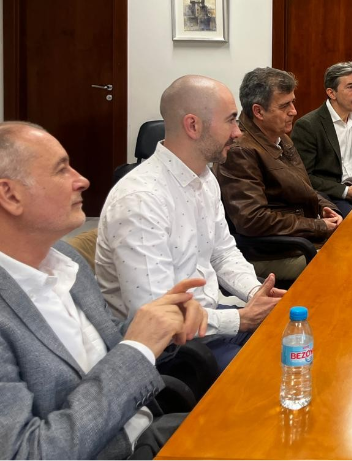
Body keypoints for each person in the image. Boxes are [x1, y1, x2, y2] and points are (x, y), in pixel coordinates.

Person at [0, 121, 209, 460]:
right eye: (61, 170)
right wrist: (138, 348)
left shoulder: (65, 259)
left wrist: (162, 323)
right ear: (10, 195)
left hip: (148, 430)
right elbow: (27, 453)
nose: (81, 180)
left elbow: (108, 348)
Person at [96, 76, 284, 370]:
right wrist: (240, 319)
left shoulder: (204, 178)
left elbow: (223, 253)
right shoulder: (141, 200)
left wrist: (254, 293)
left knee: (299, 340)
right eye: (231, 121)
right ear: (193, 125)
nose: (238, 132)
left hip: (211, 320)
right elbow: (159, 317)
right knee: (272, 371)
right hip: (172, 350)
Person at [214, 68, 343, 281]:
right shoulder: (240, 150)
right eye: (284, 106)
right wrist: (318, 226)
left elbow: (304, 187)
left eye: (292, 102)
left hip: (300, 241)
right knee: (351, 266)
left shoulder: (280, 137)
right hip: (273, 253)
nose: (294, 111)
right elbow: (253, 220)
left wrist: (326, 209)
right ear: (258, 111)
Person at [292, 61, 352, 218]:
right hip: (329, 195)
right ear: (331, 93)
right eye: (350, 87)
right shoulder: (308, 125)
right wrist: (346, 191)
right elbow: (303, 177)